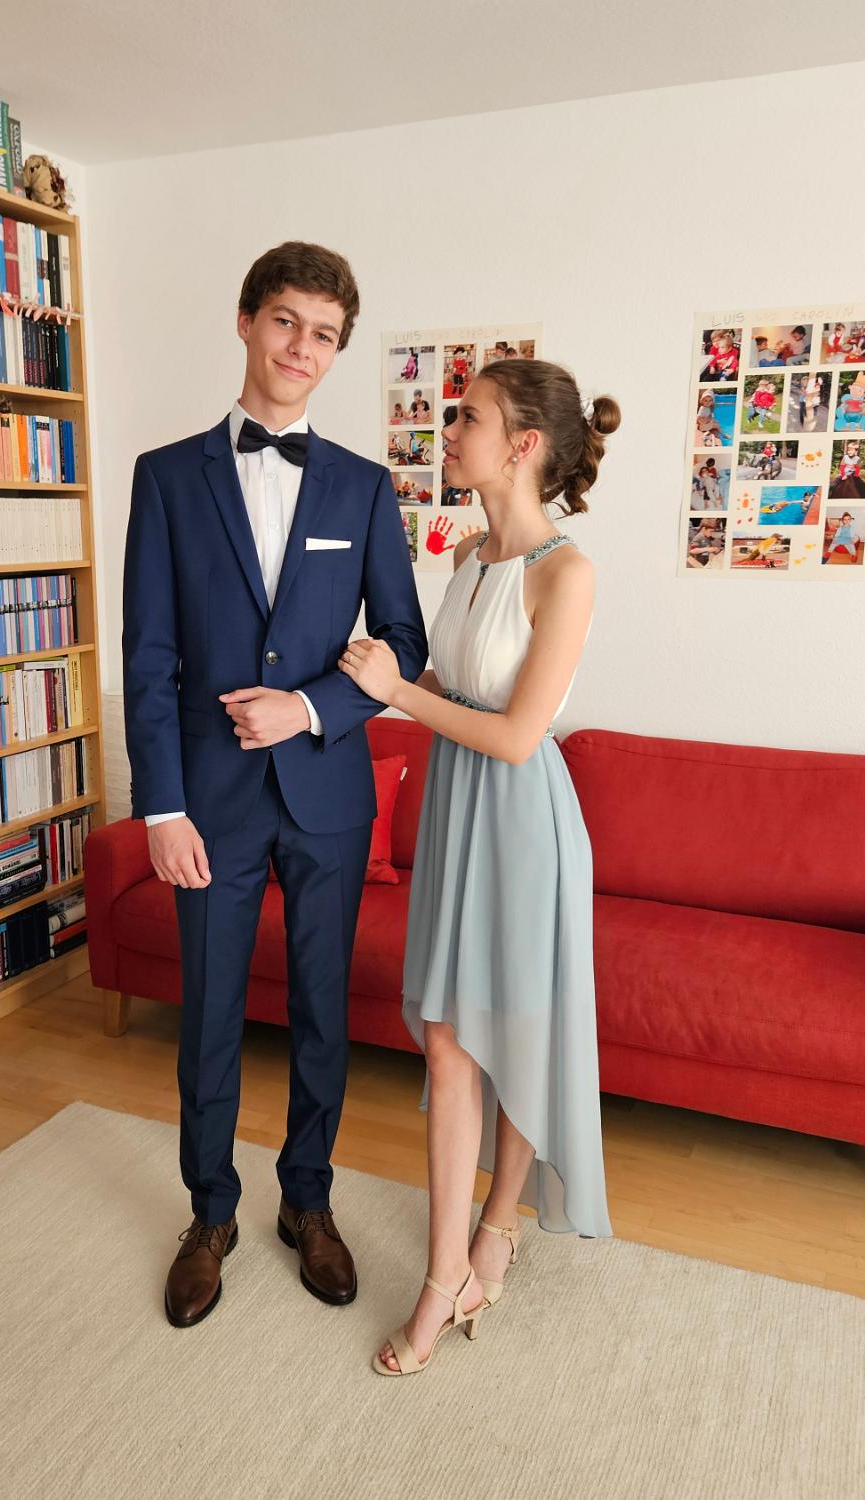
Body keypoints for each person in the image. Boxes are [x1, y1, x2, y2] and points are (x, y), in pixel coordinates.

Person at [123, 241, 428, 1331]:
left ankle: (308, 1201)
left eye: (324, 334)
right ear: (247, 321)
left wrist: (305, 708)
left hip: (327, 798)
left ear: (337, 352)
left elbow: (401, 642)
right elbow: (148, 657)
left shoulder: (363, 485)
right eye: (287, 321)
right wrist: (161, 808)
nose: (302, 347)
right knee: (208, 1013)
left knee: (318, 1013)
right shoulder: (166, 476)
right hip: (206, 804)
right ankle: (209, 1214)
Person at [337, 359, 617, 1376]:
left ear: (523, 444)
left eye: (467, 417)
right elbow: (445, 685)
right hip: (458, 816)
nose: (447, 431)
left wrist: (396, 693)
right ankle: (446, 1269)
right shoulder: (462, 556)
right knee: (450, 1045)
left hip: (523, 822)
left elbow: (513, 734)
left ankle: (492, 1230)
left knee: (509, 1036)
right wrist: (364, 678)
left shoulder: (566, 574)